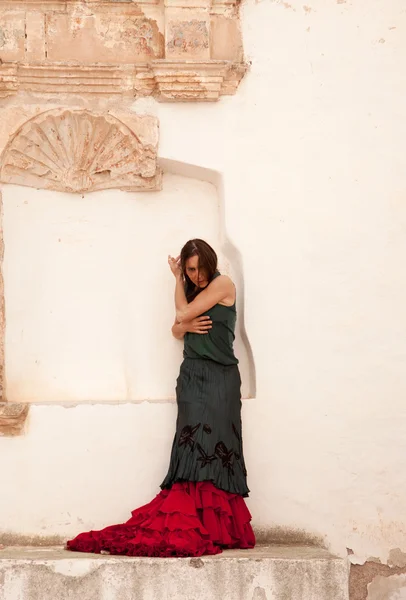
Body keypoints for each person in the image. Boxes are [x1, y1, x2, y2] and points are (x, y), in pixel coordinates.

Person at [66, 239, 255, 557]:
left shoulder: (223, 283)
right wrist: (183, 318)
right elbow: (175, 329)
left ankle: (218, 528)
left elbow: (181, 315)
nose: (196, 275)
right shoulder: (195, 292)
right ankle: (196, 523)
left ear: (210, 261)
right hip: (193, 376)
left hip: (222, 379)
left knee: (219, 447)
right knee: (191, 445)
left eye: (199, 267)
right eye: (190, 270)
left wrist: (181, 303)